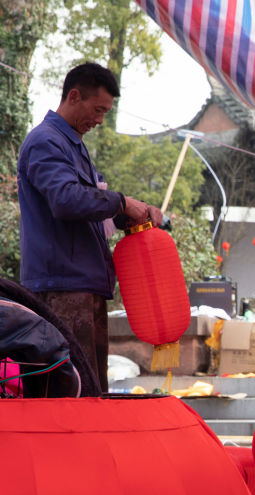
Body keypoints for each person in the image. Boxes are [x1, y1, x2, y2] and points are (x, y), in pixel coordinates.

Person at [17, 62, 160, 392]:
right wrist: (121, 201)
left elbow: (88, 206)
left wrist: (128, 215)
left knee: (92, 389)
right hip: (61, 287)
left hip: (86, 284)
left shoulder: (74, 146)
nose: (99, 120)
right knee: (71, 392)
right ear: (74, 95)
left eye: (105, 112)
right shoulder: (45, 142)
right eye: (97, 110)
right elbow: (66, 201)